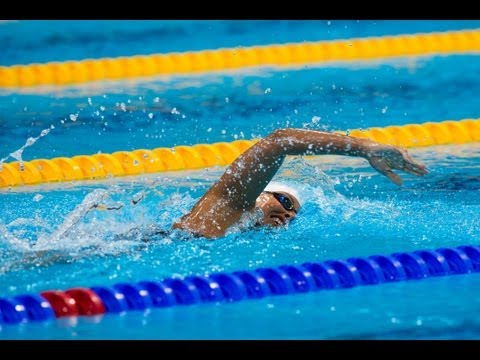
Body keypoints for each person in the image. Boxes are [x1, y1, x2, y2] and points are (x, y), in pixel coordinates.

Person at [172, 128, 428, 239]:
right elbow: (279, 141)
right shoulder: (224, 211)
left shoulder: (234, 232)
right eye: (285, 201)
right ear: (260, 193)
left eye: (293, 213)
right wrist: (363, 148)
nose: (287, 214)